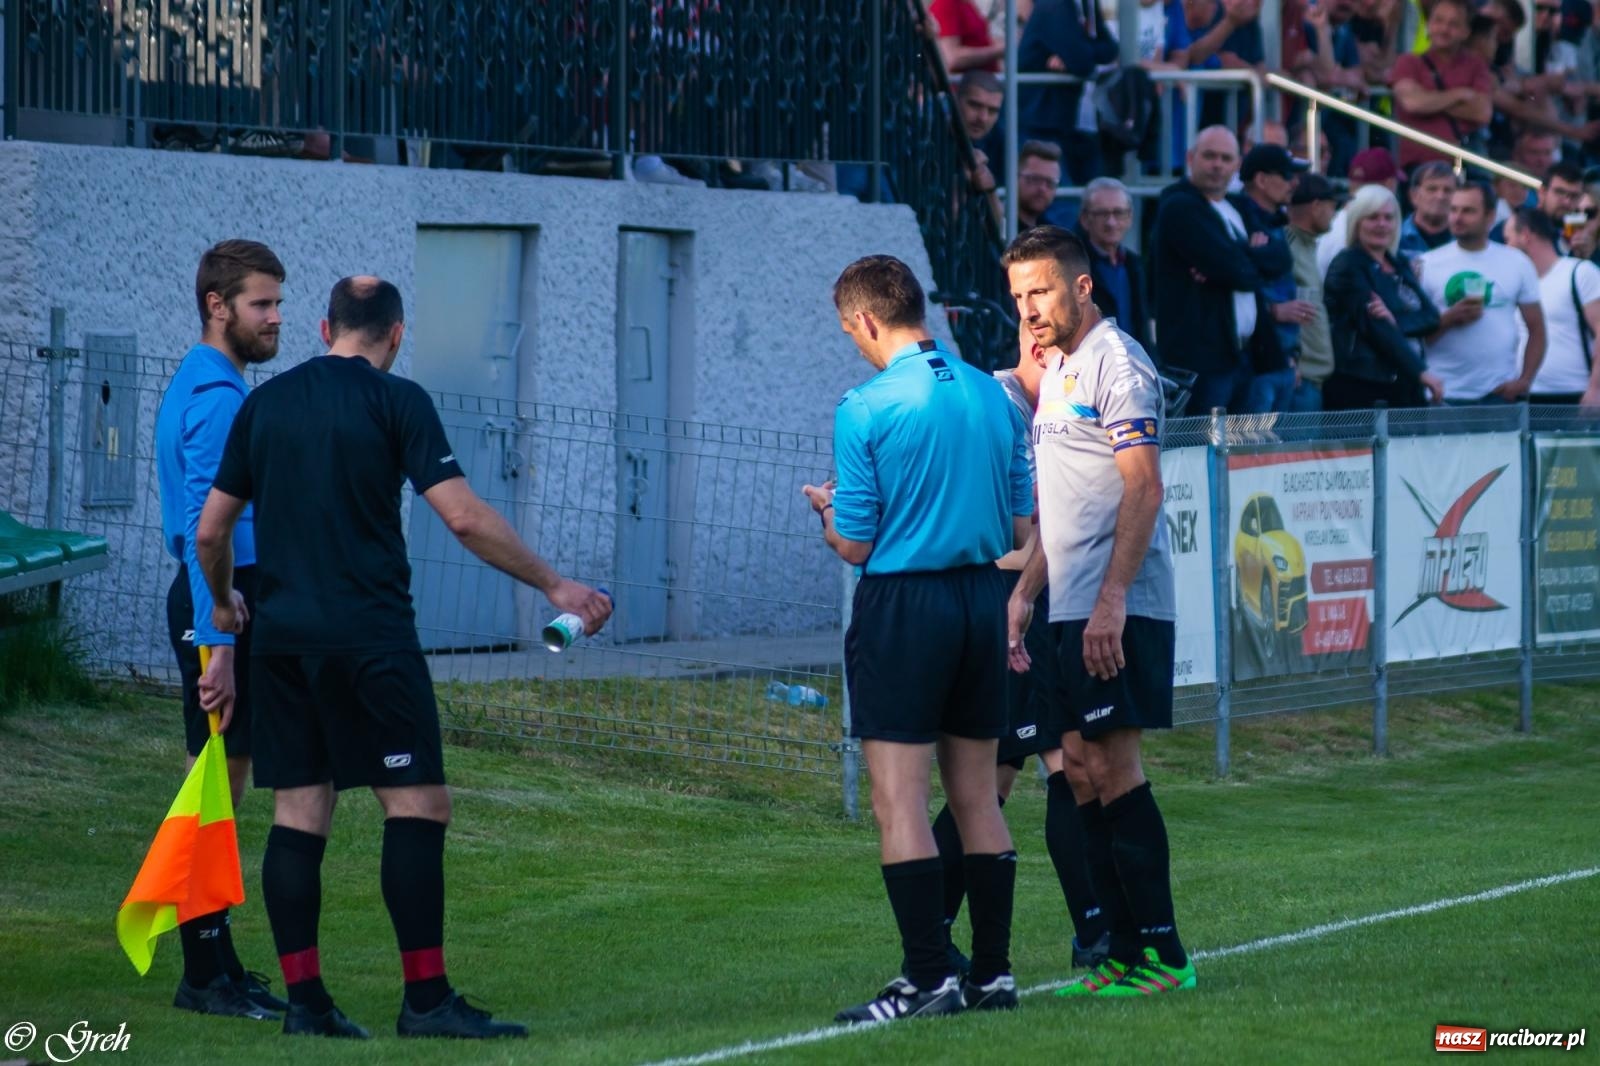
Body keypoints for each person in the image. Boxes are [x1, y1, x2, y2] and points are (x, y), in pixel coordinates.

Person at [196, 276, 612, 1040]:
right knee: (418, 806)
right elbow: (460, 516)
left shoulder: (264, 404)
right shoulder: (399, 401)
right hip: (371, 638)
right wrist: (555, 583)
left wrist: (224, 607)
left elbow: (209, 534)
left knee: (298, 814)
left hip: (282, 645)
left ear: (324, 327)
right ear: (394, 335)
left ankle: (306, 1005)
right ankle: (426, 1002)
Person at [802, 255, 1032, 1024]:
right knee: (976, 795)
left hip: (905, 604)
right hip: (980, 596)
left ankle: (926, 978)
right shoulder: (991, 393)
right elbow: (1021, 526)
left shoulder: (865, 404)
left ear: (867, 320)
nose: (854, 345)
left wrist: (828, 512)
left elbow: (858, 546)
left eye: (849, 331)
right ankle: (992, 975)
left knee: (898, 799)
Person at [1002, 225, 1193, 998]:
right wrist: (1022, 594)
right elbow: (1064, 506)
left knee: (1114, 769)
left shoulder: (1118, 362)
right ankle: (1116, 950)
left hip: (1117, 605)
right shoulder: (1056, 370)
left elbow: (1142, 488)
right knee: (1077, 771)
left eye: (1040, 291)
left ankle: (1164, 954)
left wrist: (1112, 598)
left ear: (1082, 286)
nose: (1029, 310)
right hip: (1062, 604)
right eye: (1018, 296)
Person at [912, 327, 1110, 981]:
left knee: (1001, 779)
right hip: (1005, 604)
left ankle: (939, 938)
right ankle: (1093, 932)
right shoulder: (995, 404)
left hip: (1034, 599)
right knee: (1061, 764)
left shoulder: (1041, 406)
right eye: (1066, 359)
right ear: (1041, 352)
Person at [154, 238, 289, 1022]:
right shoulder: (217, 399)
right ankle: (204, 975)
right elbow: (210, 536)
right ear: (218, 306)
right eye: (262, 305)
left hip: (221, 603)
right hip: (221, 606)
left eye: (277, 303)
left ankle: (218, 966)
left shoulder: (211, 382)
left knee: (218, 797)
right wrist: (224, 644)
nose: (275, 319)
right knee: (213, 799)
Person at [1152, 125, 1291, 413]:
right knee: (1202, 447)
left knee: (1238, 451)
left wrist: (1235, 260)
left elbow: (1281, 257)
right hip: (1200, 360)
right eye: (1210, 156)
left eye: (1226, 159)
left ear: (1238, 165)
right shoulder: (1179, 205)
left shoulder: (1237, 206)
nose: (1217, 165)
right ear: (1191, 158)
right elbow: (1234, 270)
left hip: (1244, 354)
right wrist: (1243, 260)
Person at [1419, 181, 1549, 403]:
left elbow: (1537, 329)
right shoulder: (1426, 264)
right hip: (1443, 394)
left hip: (1498, 394)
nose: (1457, 218)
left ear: (1490, 217)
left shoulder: (1516, 262)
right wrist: (1449, 319)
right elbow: (1414, 337)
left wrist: (1524, 381)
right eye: (1454, 209)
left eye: (1468, 211)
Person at [1324, 185, 1448, 408]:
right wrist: (1421, 372)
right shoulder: (1347, 265)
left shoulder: (1398, 262)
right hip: (1362, 383)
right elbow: (1376, 328)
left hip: (1402, 380)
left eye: (1388, 217)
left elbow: (1431, 317)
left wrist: (1395, 321)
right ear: (1357, 222)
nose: (1382, 224)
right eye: (1372, 217)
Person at [1237, 144, 1315, 413]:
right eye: (1286, 175)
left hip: (1282, 360)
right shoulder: (1237, 219)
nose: (1294, 183)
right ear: (1261, 180)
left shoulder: (1276, 223)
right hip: (1255, 363)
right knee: (1249, 452)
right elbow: (1235, 281)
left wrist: (1290, 357)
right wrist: (1272, 311)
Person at [1503, 206, 1600, 404]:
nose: (1505, 248)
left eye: (1508, 240)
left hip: (1574, 395)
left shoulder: (1579, 272)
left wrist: (1595, 389)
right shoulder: (1516, 284)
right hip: (1524, 396)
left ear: (1526, 236)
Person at [1389, 0, 1494, 170]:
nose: (1444, 29)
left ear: (1465, 31)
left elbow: (1482, 113)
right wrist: (1459, 94)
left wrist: (1428, 97)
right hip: (1416, 168)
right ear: (1428, 24)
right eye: (1438, 21)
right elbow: (1413, 103)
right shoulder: (1408, 62)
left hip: (1462, 167)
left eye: (1453, 24)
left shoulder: (1476, 65)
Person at [1286, 174, 1344, 410]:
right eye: (1333, 206)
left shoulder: (1307, 245)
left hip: (1310, 380)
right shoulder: (1287, 246)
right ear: (1316, 206)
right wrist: (1288, 360)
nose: (1335, 213)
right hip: (1299, 381)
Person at [1077, 177, 1152, 351]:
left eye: (1118, 213)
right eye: (1102, 214)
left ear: (1130, 218)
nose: (1111, 222)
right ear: (1085, 219)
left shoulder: (1135, 264)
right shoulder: (1073, 266)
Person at [1399, 161, 1460, 255]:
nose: (1440, 196)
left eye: (1447, 190)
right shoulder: (1394, 238)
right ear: (1414, 195)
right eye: (1432, 189)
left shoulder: (1468, 241)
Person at [1017, 140, 1066, 230]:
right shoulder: (997, 225)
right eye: (1035, 179)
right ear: (1015, 178)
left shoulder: (1054, 233)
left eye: (1050, 182)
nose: (1042, 188)